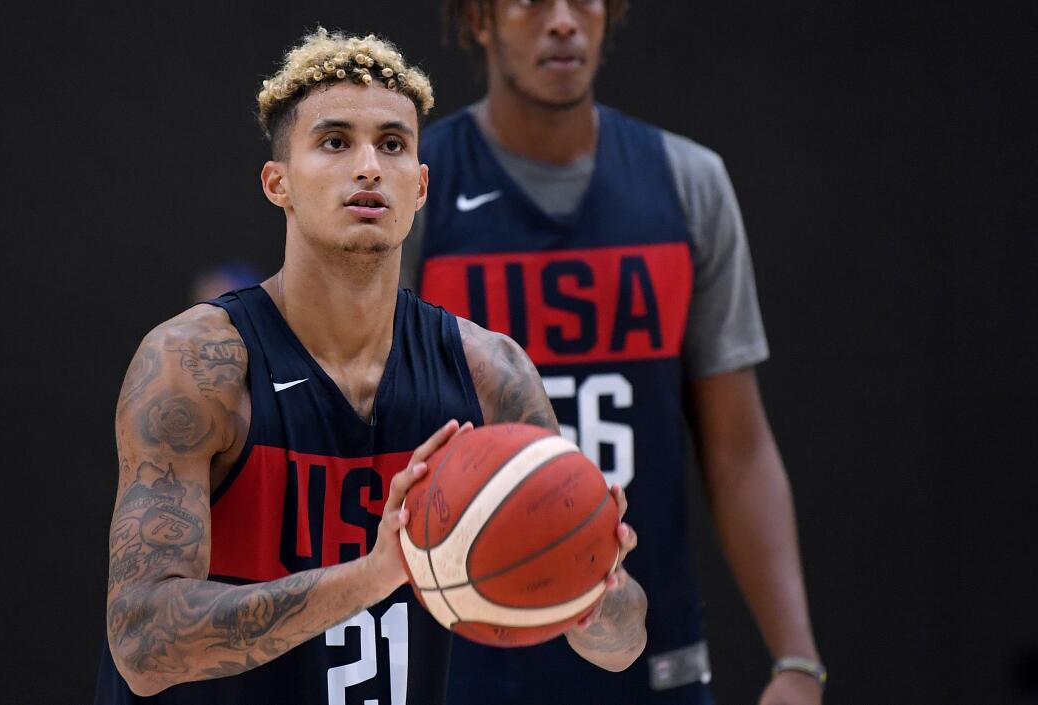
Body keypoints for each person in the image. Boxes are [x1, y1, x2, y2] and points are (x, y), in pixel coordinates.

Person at [95, 27, 646, 705]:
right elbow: (144, 644)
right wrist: (377, 572)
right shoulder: (197, 364)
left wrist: (595, 581)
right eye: (334, 142)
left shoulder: (488, 371)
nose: (367, 167)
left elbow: (619, 647)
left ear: (419, 186)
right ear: (278, 183)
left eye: (392, 144)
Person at [405, 2, 825, 704]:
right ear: (479, 19)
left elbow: (738, 448)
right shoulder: (416, 187)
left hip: (644, 638)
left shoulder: (689, 182)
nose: (564, 21)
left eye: (584, 2)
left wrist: (797, 659)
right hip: (465, 643)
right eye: (533, 3)